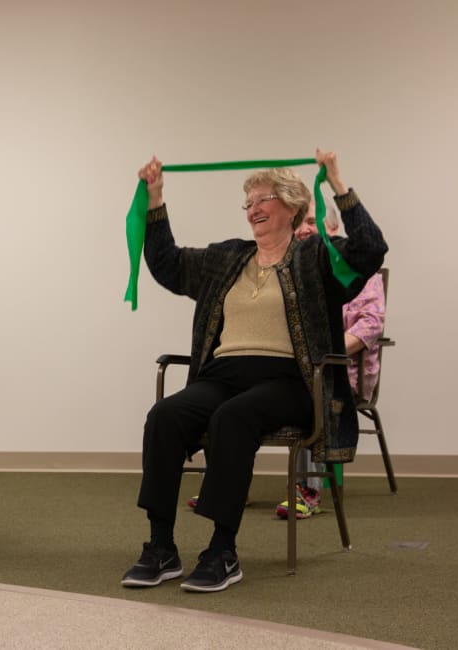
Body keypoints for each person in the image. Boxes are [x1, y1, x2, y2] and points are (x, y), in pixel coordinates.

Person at [121, 149, 387, 593]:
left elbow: (370, 250)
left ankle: (222, 550)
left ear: (292, 205)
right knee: (164, 416)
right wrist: (154, 196)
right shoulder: (228, 258)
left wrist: (338, 182)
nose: (253, 209)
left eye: (262, 198)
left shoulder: (318, 258)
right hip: (222, 376)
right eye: (247, 203)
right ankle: (161, 547)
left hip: (290, 380)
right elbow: (167, 264)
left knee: (232, 419)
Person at [274, 199, 386, 519]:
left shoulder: (359, 271)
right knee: (235, 387)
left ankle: (307, 490)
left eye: (313, 221)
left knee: (312, 394)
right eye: (298, 224)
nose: (305, 229)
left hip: (342, 372)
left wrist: (324, 351)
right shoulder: (286, 271)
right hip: (294, 369)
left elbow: (371, 324)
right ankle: (224, 485)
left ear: (334, 229)